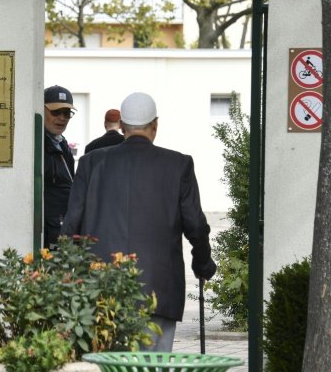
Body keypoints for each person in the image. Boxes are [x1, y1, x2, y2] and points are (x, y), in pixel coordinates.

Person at [62, 92, 216, 352]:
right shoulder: (179, 164)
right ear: (155, 125)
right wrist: (203, 263)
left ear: (122, 126)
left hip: (101, 289)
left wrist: (64, 272)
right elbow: (196, 225)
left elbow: (71, 224)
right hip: (159, 289)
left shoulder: (90, 163)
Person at [43, 85, 76, 246]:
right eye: (56, 112)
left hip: (61, 228)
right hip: (45, 233)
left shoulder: (63, 144)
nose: (62, 118)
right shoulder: (36, 143)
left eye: (67, 113)